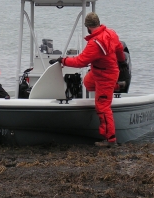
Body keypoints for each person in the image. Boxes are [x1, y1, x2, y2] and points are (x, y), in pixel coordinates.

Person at [51, 12, 128, 147]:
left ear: (87, 27)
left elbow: (80, 62)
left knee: (102, 107)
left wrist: (62, 60)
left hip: (106, 76)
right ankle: (116, 86)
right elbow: (119, 48)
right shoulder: (111, 33)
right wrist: (122, 62)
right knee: (87, 82)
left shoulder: (95, 43)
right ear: (98, 23)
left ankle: (111, 140)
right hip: (100, 72)